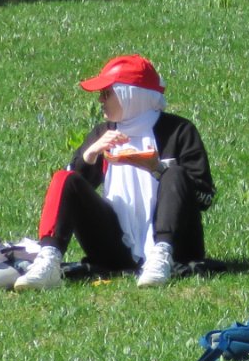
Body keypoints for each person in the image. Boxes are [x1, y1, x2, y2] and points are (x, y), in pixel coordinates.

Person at [15, 54, 215, 290]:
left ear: (131, 95)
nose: (100, 100)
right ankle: (48, 260)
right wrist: (90, 154)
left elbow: (205, 198)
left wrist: (158, 169)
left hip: (177, 247)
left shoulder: (180, 131)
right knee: (63, 177)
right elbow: (72, 191)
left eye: (107, 93)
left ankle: (161, 255)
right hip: (116, 249)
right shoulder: (104, 133)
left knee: (174, 173)